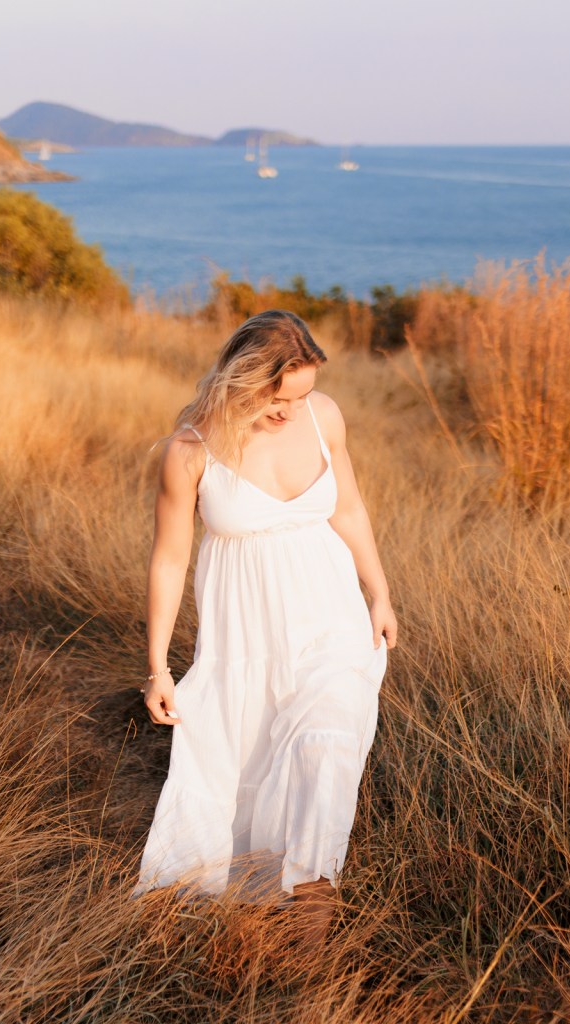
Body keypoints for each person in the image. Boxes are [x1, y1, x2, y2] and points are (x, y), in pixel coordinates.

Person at [131, 309, 398, 947]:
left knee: (325, 752)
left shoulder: (323, 416)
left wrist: (380, 592)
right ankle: (250, 924)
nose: (291, 410)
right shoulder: (191, 450)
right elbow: (169, 561)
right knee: (242, 778)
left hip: (331, 625)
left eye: (302, 394)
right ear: (239, 381)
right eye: (277, 398)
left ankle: (309, 946)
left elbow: (350, 507)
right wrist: (159, 667)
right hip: (245, 644)